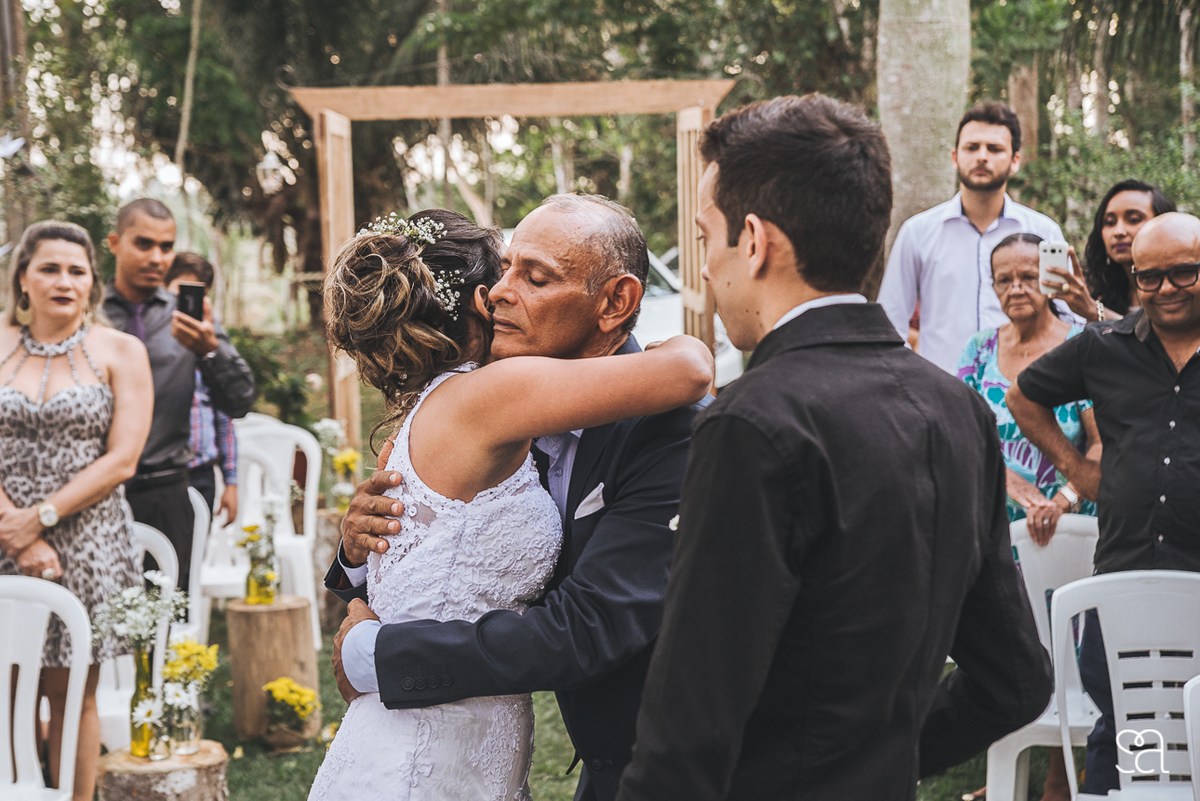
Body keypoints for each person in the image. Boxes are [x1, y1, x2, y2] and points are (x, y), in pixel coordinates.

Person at [614, 94, 1052, 801]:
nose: (706, 267)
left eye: (705, 237)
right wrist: (878, 760)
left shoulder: (751, 423)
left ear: (754, 241)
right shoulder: (959, 410)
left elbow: (687, 732)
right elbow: (1017, 680)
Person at [309, 208, 712, 801]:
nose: (500, 293)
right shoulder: (500, 402)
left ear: (615, 303)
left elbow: (588, 624)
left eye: (535, 277)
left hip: (651, 766)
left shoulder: (666, 432)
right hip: (430, 758)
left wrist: (378, 654)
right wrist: (356, 548)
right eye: (501, 271)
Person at [1008, 211, 1200, 793]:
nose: (1166, 288)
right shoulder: (1102, 347)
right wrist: (1077, 472)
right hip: (1125, 575)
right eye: (1150, 277)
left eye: (1184, 272)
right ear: (1133, 278)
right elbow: (1023, 398)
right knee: (1126, 724)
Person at [0, 221, 153, 801]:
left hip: (89, 541)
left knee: (72, 692)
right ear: (23, 278)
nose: (63, 282)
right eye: (49, 269)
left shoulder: (121, 350)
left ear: (92, 282)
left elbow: (123, 458)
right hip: (2, 534)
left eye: (76, 271)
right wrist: (13, 528)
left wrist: (37, 519)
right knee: (8, 690)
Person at [103, 199, 255, 592]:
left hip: (167, 492)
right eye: (144, 244)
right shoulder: (90, 316)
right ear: (115, 243)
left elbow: (241, 401)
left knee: (168, 613)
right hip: (96, 492)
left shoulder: (189, 315)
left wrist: (210, 350)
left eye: (166, 246)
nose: (157, 257)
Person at [878, 101, 1066, 373]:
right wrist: (915, 381)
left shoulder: (1045, 233)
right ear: (955, 157)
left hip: (1025, 389)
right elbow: (890, 323)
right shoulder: (917, 233)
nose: (982, 157)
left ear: (1015, 161)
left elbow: (1065, 318)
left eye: (994, 149)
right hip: (941, 390)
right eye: (972, 147)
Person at [958, 232, 1100, 543]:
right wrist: (1011, 483)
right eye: (1004, 280)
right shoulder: (979, 349)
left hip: (1069, 526)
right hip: (995, 522)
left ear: (1049, 280)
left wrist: (1062, 501)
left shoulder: (1082, 345)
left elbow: (1102, 442)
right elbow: (962, 436)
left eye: (1028, 277)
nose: (1016, 289)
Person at [164, 252, 238, 523]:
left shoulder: (208, 344)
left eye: (199, 295)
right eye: (182, 292)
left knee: (197, 549)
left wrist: (231, 481)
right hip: (160, 475)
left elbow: (224, 413)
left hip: (202, 473)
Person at [1048, 179, 1176, 322]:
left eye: (1133, 220)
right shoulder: (1107, 293)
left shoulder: (1177, 286)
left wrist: (1093, 311)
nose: (1119, 231)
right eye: (1110, 222)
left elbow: (1162, 334)